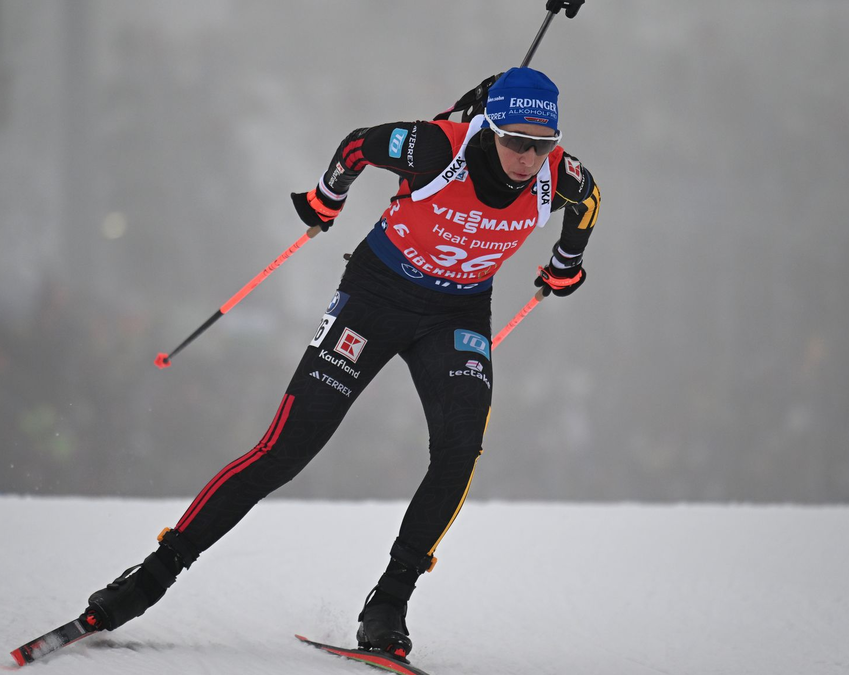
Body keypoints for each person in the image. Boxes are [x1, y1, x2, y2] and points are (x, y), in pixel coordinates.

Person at [77, 67, 601, 660]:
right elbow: (358, 144)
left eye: (542, 143)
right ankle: (152, 574)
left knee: (460, 448)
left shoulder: (561, 176)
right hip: (377, 296)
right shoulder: (434, 148)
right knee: (287, 449)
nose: (529, 157)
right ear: (490, 127)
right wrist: (328, 197)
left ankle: (388, 604)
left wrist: (565, 264)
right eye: (515, 140)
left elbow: (589, 202)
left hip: (456, 315)